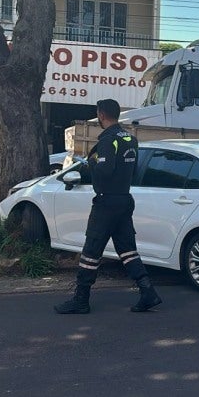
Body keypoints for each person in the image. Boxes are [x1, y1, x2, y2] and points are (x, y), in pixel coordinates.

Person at [55, 99, 162, 314]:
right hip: (124, 200)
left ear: (101, 115)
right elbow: (132, 170)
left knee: (91, 252)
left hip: (106, 203)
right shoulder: (130, 139)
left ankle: (81, 299)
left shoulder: (108, 140)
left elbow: (104, 170)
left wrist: (90, 164)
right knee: (127, 249)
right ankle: (147, 292)